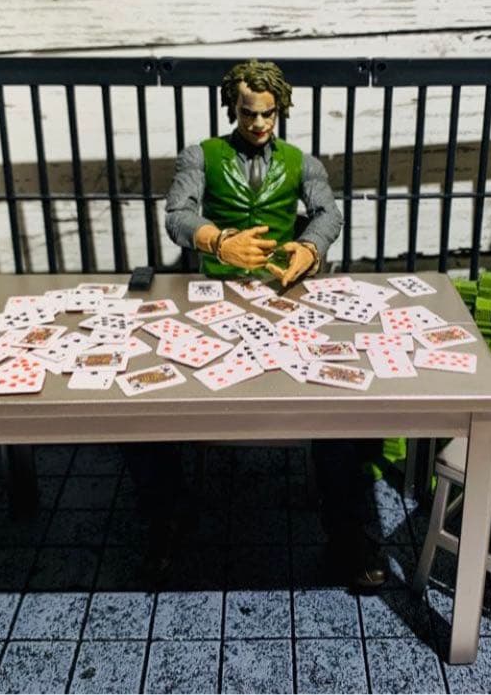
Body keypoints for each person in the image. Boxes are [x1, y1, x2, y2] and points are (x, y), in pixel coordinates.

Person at [122, 59, 387, 592]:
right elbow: (177, 213)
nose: (259, 123)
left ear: (279, 110)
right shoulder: (201, 155)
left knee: (340, 402)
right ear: (233, 108)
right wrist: (218, 241)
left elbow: (329, 212)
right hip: (215, 296)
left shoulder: (301, 162)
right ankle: (165, 524)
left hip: (282, 293)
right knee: (149, 404)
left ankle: (347, 531)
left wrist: (310, 248)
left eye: (268, 113)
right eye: (248, 113)